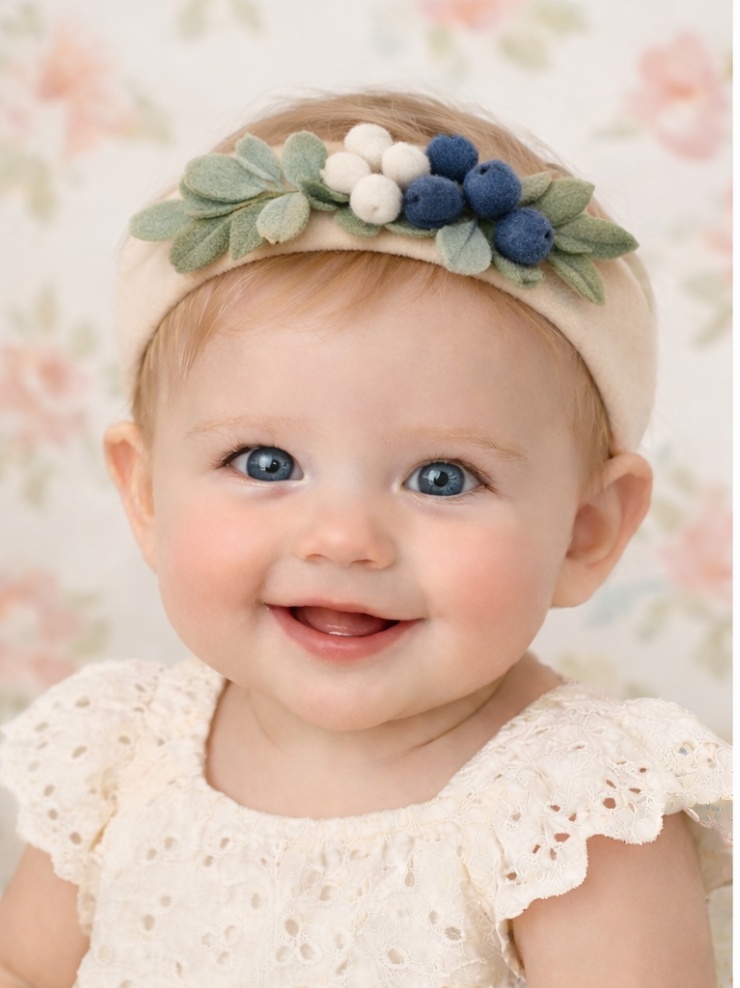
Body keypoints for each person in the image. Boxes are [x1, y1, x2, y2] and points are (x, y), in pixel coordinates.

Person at [0, 89, 731, 988]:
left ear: (587, 531)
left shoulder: (569, 817)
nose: (344, 539)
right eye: (265, 462)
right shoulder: (122, 758)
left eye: (443, 478)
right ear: (147, 494)